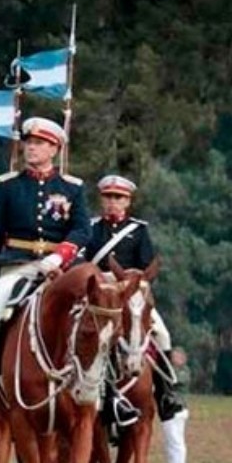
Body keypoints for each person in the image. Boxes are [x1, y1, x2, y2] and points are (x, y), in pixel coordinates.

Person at [0, 117, 92, 427]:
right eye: (29, 142)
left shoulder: (71, 188)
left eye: (40, 143)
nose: (32, 147)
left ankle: (106, 392)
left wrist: (60, 256)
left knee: (96, 316)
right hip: (17, 268)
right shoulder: (9, 186)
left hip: (60, 270)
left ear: (54, 149)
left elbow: (82, 230)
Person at [85, 174, 186, 424]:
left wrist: (132, 285)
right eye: (108, 197)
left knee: (162, 334)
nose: (112, 202)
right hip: (101, 293)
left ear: (127, 202)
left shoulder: (138, 230)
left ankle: (166, 393)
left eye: (118, 198)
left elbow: (145, 267)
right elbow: (83, 263)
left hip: (130, 294)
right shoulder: (91, 228)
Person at [161, 347, 191, 463]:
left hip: (177, 408)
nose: (174, 359)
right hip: (171, 409)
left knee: (176, 440)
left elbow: (174, 380)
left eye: (177, 356)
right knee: (171, 440)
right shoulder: (173, 370)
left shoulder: (184, 372)